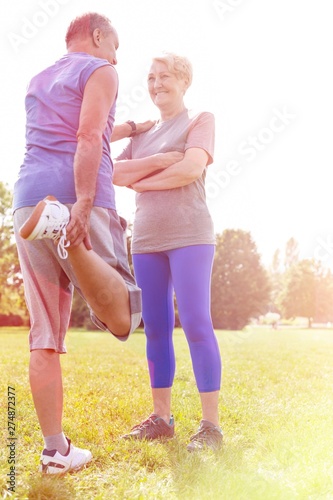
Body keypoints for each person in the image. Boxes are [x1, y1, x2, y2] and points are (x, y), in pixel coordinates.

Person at [12, 12, 157, 475]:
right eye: (115, 44)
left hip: (27, 200)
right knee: (123, 318)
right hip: (76, 199)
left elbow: (82, 131)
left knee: (44, 336)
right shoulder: (101, 70)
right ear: (97, 36)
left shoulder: (40, 78)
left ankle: (55, 451)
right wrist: (84, 201)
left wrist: (131, 128)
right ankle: (68, 237)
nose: (119, 55)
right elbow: (87, 134)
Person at [113, 53, 223, 451]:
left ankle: (210, 426)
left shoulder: (199, 121)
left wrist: (141, 179)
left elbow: (190, 169)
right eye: (151, 77)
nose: (157, 84)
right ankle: (162, 418)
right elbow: (111, 173)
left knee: (196, 323)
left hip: (191, 234)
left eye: (165, 77)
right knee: (156, 328)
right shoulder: (140, 134)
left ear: (184, 81)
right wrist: (159, 161)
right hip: (146, 240)